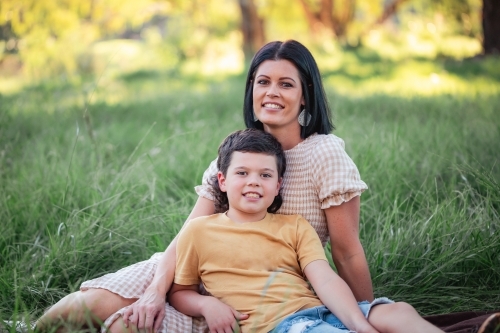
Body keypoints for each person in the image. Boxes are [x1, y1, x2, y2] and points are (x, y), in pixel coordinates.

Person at [35, 39, 499, 333]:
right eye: (262, 81)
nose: (271, 92)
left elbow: (347, 250)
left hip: (270, 282)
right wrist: (158, 290)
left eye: (286, 83)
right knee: (90, 303)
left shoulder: (324, 154)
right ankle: (23, 323)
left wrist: (359, 313)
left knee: (121, 321)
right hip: (196, 263)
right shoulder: (235, 151)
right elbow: (188, 232)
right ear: (251, 90)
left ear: (305, 96)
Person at [168, 128, 445, 333]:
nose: (254, 182)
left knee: (397, 312)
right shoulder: (199, 231)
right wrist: (207, 306)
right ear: (222, 180)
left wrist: (360, 325)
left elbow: (324, 280)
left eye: (265, 175)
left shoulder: (294, 226)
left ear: (278, 186)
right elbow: (180, 291)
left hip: (318, 313)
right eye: (242, 173)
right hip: (277, 327)